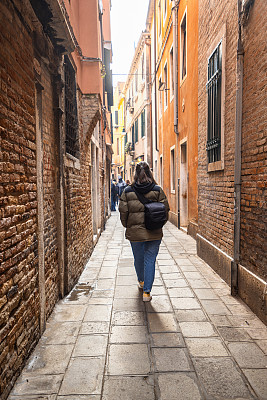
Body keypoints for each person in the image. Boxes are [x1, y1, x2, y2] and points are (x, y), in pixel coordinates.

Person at [119, 162, 169, 301]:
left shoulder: (128, 191)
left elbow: (123, 211)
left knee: (138, 259)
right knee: (150, 260)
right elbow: (166, 210)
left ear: (135, 174)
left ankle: (141, 281)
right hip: (154, 232)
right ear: (150, 173)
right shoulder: (157, 190)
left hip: (135, 232)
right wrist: (159, 224)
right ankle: (147, 293)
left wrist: (127, 225)